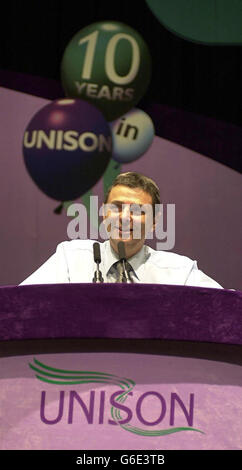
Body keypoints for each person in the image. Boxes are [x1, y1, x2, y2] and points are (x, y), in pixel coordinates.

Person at [20, 172, 222, 288]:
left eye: (137, 210)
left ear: (154, 222)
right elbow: (19, 305)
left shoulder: (180, 272)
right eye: (116, 208)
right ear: (104, 214)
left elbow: (228, 309)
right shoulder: (70, 259)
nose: (125, 218)